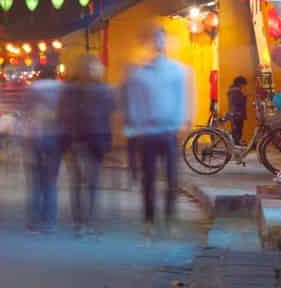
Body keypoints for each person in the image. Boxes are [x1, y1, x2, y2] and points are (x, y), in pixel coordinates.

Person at [121, 24, 193, 237]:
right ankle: (149, 219)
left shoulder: (177, 70)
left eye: (161, 38)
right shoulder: (140, 73)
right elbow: (134, 102)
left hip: (169, 131)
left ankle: (170, 219)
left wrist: (183, 122)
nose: (158, 42)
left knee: (172, 179)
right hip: (148, 133)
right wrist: (135, 126)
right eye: (155, 38)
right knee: (149, 179)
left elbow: (182, 99)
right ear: (150, 43)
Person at [64, 56, 116, 236]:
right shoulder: (104, 90)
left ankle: (82, 222)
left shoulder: (73, 90)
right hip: (88, 140)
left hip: (86, 140)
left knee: (82, 182)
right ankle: (85, 222)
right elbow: (111, 116)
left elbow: (66, 114)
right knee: (87, 182)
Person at [24, 69, 66, 232]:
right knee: (50, 181)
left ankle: (33, 221)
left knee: (35, 181)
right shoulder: (62, 88)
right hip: (55, 137)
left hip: (35, 136)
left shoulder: (33, 88)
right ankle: (49, 222)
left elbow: (26, 113)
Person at [225, 76, 248, 146]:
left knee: (236, 130)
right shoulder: (236, 91)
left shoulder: (232, 90)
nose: (243, 86)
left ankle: (236, 144)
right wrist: (245, 97)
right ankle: (235, 145)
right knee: (237, 130)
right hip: (237, 113)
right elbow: (237, 102)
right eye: (243, 84)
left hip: (235, 112)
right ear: (239, 83)